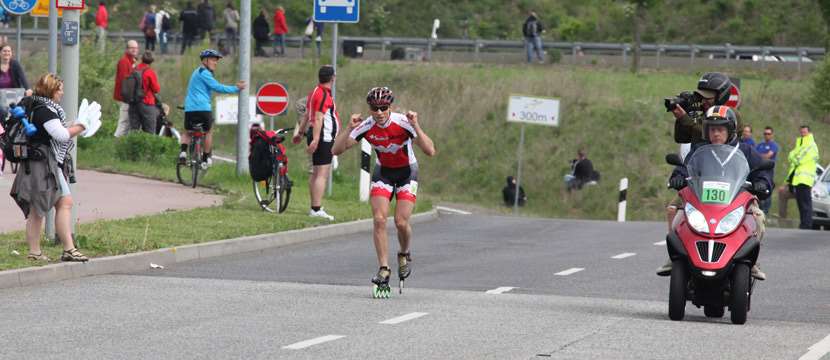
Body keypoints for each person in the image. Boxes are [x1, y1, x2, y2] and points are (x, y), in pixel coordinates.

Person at [332, 86, 436, 298]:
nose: (379, 112)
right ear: (369, 108)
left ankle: (404, 252)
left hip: (408, 172)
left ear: (390, 107)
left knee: (400, 222)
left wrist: (416, 125)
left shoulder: (403, 123)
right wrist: (348, 129)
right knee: (379, 220)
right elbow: (336, 150)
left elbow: (430, 151)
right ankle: (384, 268)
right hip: (383, 173)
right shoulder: (367, 126)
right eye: (374, 108)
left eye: (383, 108)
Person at [659, 106, 770, 280]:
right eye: (711, 130)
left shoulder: (745, 150)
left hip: (737, 198)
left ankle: (752, 262)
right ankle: (675, 257)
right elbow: (685, 167)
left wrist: (762, 183)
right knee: (673, 210)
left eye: (720, 129)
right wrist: (678, 177)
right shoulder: (699, 149)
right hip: (700, 198)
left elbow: (762, 171)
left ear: (731, 130)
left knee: (758, 216)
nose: (715, 134)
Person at [9, 73, 94, 263]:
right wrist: (82, 126)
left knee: (59, 204)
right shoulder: (45, 110)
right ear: (51, 90)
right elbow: (61, 135)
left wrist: (76, 124)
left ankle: (58, 250)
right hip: (43, 166)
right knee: (41, 209)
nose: (62, 93)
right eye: (60, 89)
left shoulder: (38, 106)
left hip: (41, 164)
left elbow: (56, 129)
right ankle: (43, 252)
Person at [666, 72, 738, 232]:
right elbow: (682, 138)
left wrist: (686, 119)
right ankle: (676, 253)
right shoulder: (701, 115)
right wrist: (681, 117)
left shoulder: (731, 115)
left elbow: (707, 135)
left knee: (754, 216)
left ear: (721, 95)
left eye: (708, 97)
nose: (703, 101)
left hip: (728, 181)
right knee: (673, 209)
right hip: (701, 179)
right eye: (701, 97)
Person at [180, 49, 245, 167]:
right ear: (205, 61)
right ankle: (205, 159)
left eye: (216, 60)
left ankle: (183, 153)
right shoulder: (204, 73)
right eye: (213, 60)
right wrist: (236, 88)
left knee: (188, 132)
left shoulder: (195, 73)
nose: (215, 62)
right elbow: (218, 87)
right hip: (204, 109)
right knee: (208, 132)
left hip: (190, 109)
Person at [293, 65, 339, 220]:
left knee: (315, 173)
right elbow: (318, 117)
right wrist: (317, 139)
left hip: (316, 134)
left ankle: (314, 206)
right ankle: (316, 209)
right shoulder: (323, 95)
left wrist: (300, 132)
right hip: (323, 137)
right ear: (332, 78)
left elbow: (307, 114)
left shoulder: (314, 91)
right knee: (322, 174)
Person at [778, 125, 820, 229]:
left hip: (805, 179)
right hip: (798, 179)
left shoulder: (811, 145)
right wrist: (794, 156)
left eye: (804, 132)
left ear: (809, 133)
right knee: (801, 203)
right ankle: (804, 224)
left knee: (805, 203)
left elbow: (798, 159)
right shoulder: (801, 144)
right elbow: (791, 155)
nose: (802, 134)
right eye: (801, 132)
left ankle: (807, 224)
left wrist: (794, 157)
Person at [128, 51, 160, 134]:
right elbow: (156, 89)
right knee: (149, 132)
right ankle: (147, 147)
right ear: (152, 61)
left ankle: (131, 146)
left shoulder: (134, 69)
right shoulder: (149, 72)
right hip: (147, 103)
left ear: (142, 59)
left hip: (133, 103)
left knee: (134, 131)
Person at [113, 40, 139, 137]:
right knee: (124, 121)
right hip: (125, 97)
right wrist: (129, 98)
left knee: (127, 122)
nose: (134, 50)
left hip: (127, 97)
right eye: (132, 48)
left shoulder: (131, 61)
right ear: (127, 49)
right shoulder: (124, 61)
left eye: (136, 48)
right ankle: (117, 141)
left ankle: (122, 143)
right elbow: (125, 81)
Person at [756, 126, 779, 214]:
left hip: (768, 171)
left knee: (768, 190)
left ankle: (766, 211)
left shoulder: (774, 145)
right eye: (765, 134)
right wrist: (762, 156)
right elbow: (755, 155)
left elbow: (768, 156)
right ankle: (760, 209)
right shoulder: (760, 145)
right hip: (759, 171)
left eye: (768, 134)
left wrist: (760, 156)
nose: (767, 135)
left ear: (772, 135)